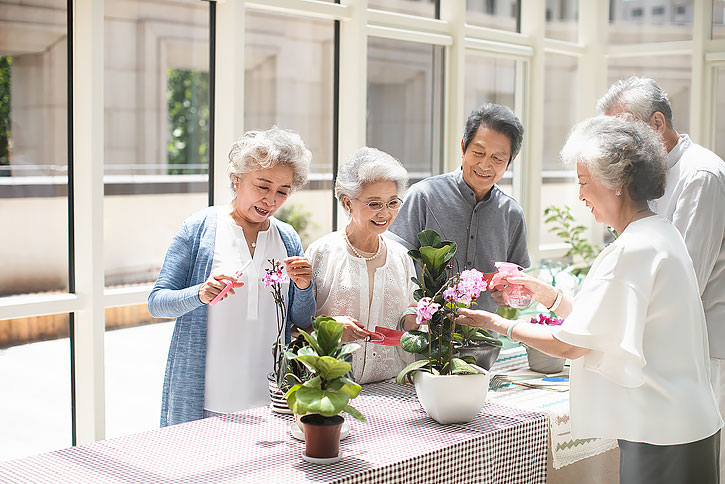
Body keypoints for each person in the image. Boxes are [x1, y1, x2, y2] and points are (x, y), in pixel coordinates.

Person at [457, 115, 722, 484]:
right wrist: (548, 295)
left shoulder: (631, 250)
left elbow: (571, 345)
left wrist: (495, 323)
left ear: (616, 182)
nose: (580, 196)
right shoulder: (660, 234)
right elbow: (603, 324)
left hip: (661, 430)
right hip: (684, 421)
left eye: (583, 182)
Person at [597, 76, 725, 479]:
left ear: (656, 123)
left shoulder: (700, 174)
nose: (617, 143)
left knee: (695, 463)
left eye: (623, 129)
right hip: (665, 345)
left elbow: (686, 276)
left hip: (704, 346)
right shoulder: (647, 177)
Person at [148, 126, 316, 427]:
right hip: (206, 400)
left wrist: (304, 287)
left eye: (282, 191)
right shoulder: (200, 228)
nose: (271, 200)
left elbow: (301, 321)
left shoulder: (287, 238)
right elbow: (158, 303)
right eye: (262, 186)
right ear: (237, 179)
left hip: (273, 400)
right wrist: (199, 293)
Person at [387, 103, 530, 312]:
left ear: (510, 162)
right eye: (478, 153)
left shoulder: (511, 213)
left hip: (483, 340)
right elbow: (392, 267)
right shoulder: (423, 197)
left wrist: (509, 292)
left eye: (497, 158)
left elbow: (520, 280)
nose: (485, 165)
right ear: (463, 147)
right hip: (428, 338)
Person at [305, 147, 418, 384]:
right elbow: (296, 325)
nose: (385, 213)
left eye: (392, 202)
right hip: (331, 388)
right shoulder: (321, 253)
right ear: (348, 203)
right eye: (374, 204)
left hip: (392, 386)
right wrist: (330, 329)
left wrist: (416, 318)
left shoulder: (402, 257)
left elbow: (408, 316)